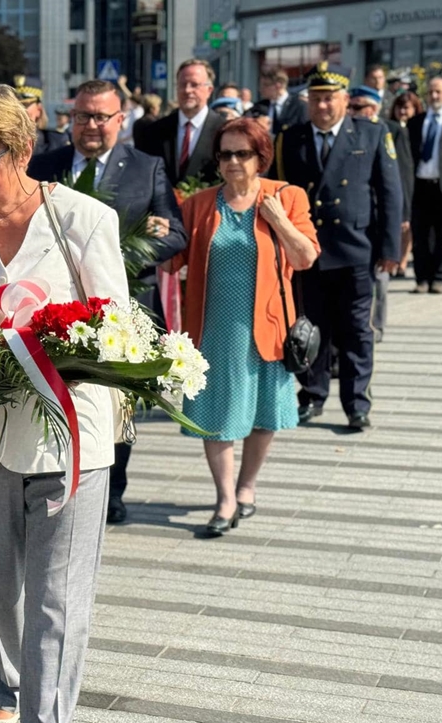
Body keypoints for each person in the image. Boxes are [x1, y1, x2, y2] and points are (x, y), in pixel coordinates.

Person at [0, 84, 129, 723]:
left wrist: (54, 358)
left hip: (71, 436)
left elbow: (116, 333)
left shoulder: (84, 220)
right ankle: (8, 691)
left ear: (22, 151)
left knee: (57, 599)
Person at [28, 78, 187, 526]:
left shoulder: (146, 168)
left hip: (125, 305)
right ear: (71, 119)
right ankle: (53, 482)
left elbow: (176, 233)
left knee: (117, 402)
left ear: (121, 119)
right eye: (83, 116)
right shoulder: (44, 166)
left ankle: (112, 492)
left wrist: (118, 255)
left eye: (101, 117)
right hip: (57, 309)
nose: (92, 125)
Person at [166, 118, 319, 535]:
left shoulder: (287, 196)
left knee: (265, 414)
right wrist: (156, 233)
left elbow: (305, 258)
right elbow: (172, 260)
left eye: (242, 153)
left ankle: (247, 487)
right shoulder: (198, 204)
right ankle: (225, 498)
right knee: (216, 411)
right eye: (225, 154)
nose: (232, 161)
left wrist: (279, 220)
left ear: (261, 157)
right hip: (214, 329)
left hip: (269, 327)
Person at [272, 62, 402, 430]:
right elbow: (278, 193)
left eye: (329, 98)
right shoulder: (289, 138)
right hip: (307, 251)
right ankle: (312, 395)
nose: (323, 105)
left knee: (356, 330)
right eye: (316, 99)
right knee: (311, 327)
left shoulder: (371, 134)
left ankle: (356, 404)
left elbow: (390, 193)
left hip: (355, 249)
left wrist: (390, 248)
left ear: (345, 99)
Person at [348, 85, 413, 342]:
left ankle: (375, 327)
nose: (351, 112)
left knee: (380, 280)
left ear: (373, 108)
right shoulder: (347, 131)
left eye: (357, 107)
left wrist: (403, 215)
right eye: (349, 106)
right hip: (358, 221)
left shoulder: (388, 130)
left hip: (381, 217)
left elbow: (400, 177)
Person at [134, 59, 225, 186]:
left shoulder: (224, 131)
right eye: (182, 84)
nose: (187, 90)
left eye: (194, 84)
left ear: (209, 90)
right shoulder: (154, 131)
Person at [407, 76, 442, 293]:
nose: (434, 96)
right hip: (420, 185)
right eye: (430, 92)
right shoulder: (416, 122)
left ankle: (439, 278)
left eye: (439, 92)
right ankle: (421, 279)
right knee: (420, 235)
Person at [392, 91, 424, 278]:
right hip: (398, 176)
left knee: (408, 224)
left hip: (415, 180)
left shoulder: (418, 126)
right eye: (399, 107)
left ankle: (403, 261)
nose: (402, 111)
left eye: (406, 108)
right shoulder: (390, 127)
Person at [14, 75, 63, 155]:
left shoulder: (54, 144)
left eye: (25, 105)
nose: (19, 110)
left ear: (39, 110)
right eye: (14, 106)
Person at [257, 68, 308, 136]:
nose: (261, 89)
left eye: (265, 85)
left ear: (278, 86)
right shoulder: (259, 107)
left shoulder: (299, 106)